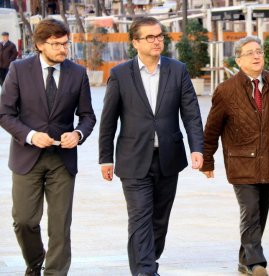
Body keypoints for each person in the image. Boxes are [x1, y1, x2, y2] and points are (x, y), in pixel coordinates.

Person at [98, 16, 204, 276]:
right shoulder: (120, 74)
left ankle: (146, 263)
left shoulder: (177, 70)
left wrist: (197, 148)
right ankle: (146, 271)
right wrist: (105, 158)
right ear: (135, 42)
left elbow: (191, 114)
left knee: (159, 220)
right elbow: (108, 120)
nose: (157, 41)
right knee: (140, 218)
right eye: (150, 37)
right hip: (133, 159)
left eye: (160, 36)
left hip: (168, 157)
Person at [0, 19, 96, 276]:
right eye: (56, 44)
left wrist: (78, 133)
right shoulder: (19, 69)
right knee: (24, 221)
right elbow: (5, 114)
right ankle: (34, 262)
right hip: (26, 157)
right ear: (40, 44)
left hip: (62, 161)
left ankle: (55, 272)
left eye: (65, 43)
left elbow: (88, 116)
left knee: (60, 225)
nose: (63, 49)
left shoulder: (77, 73)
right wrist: (30, 135)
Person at [200, 36, 269, 276]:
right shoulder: (226, 90)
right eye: (250, 53)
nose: (256, 56)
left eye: (259, 51)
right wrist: (207, 160)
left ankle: (245, 260)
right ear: (239, 60)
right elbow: (212, 129)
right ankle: (256, 261)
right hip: (241, 162)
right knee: (250, 209)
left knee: (261, 211)